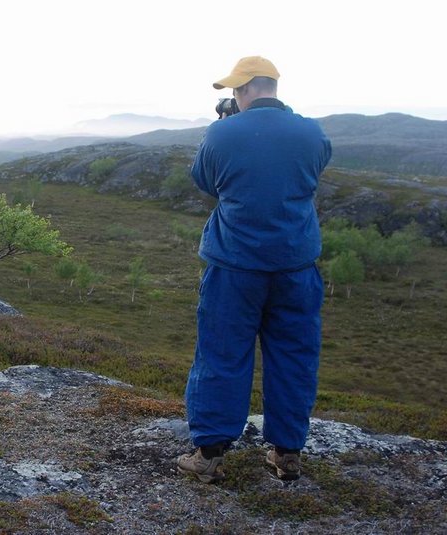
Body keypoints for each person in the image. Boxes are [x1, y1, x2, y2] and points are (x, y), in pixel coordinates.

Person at [177, 56, 332, 483]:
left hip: (235, 266)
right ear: (273, 87)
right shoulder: (311, 131)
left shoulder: (222, 133)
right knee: (294, 356)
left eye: (233, 91)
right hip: (296, 266)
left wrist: (228, 127)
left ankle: (208, 454)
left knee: (223, 352)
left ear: (243, 89)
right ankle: (287, 454)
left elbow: (207, 182)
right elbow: (312, 172)